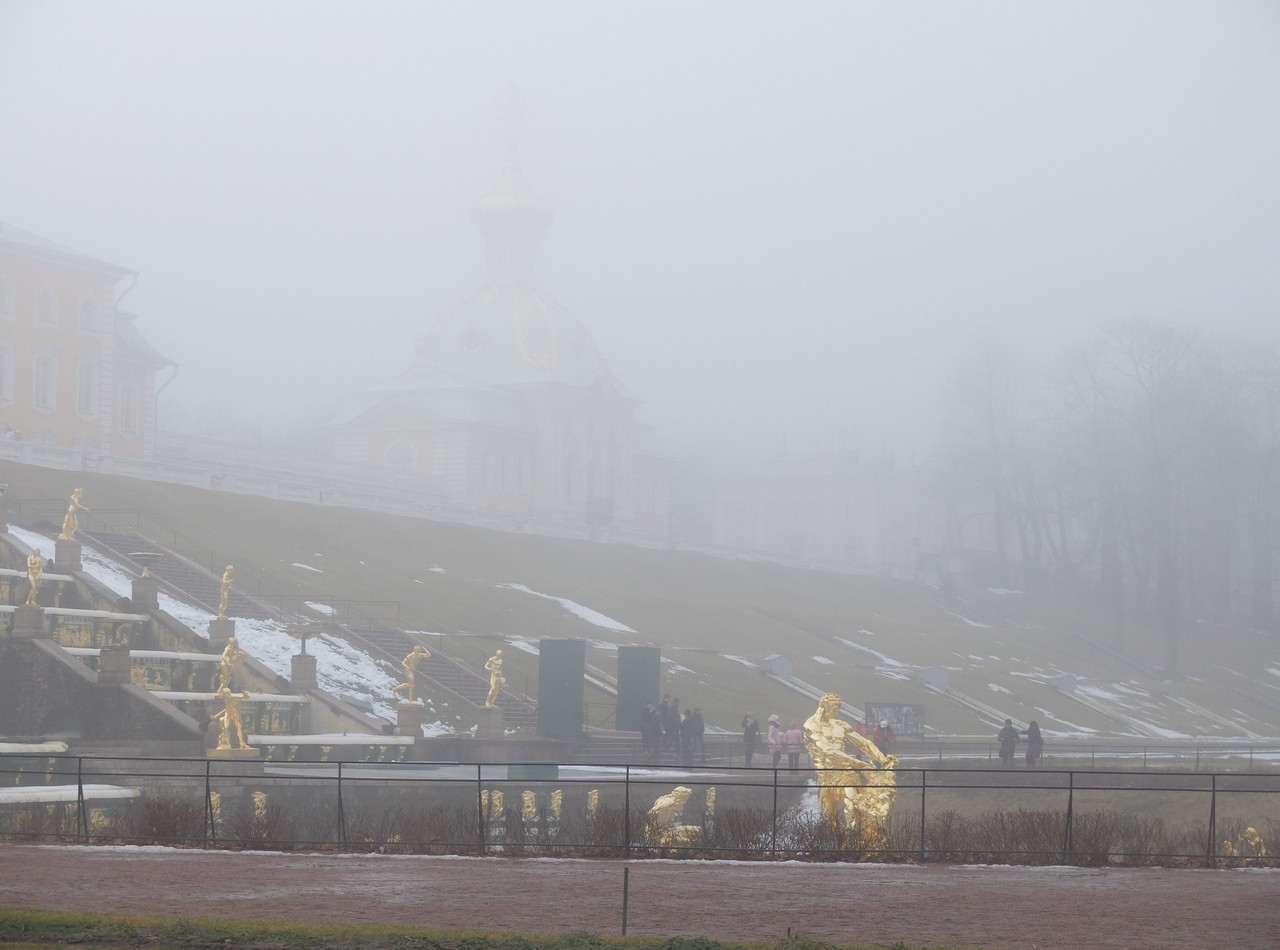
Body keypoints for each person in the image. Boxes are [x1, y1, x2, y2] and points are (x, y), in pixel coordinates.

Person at [801, 692, 897, 844]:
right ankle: (840, 843)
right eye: (834, 708)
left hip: (845, 772)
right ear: (824, 706)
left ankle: (854, 839)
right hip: (826, 774)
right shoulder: (811, 725)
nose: (836, 712)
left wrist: (883, 759)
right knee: (829, 814)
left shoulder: (840, 725)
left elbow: (864, 743)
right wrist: (858, 763)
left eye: (838, 708)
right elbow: (827, 751)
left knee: (851, 802)